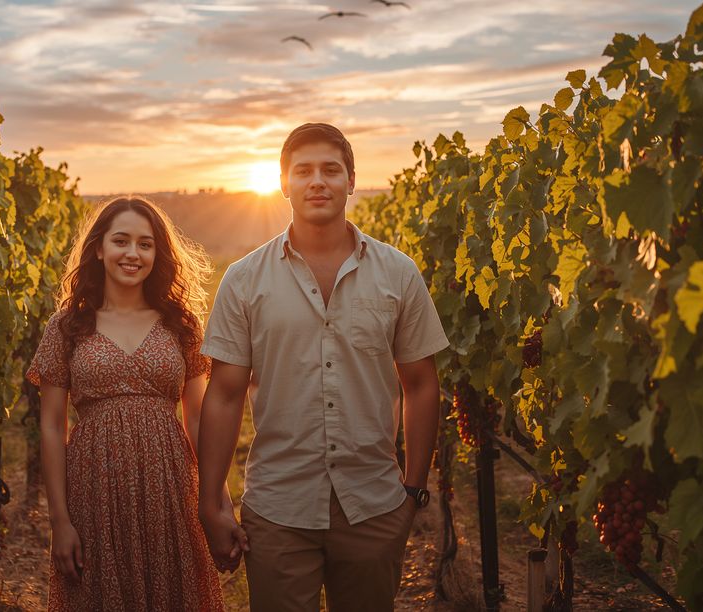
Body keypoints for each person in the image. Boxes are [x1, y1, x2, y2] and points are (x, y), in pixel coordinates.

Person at [197, 123, 448, 611]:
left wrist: (412, 492)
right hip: (278, 509)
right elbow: (224, 394)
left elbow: (420, 385)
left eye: (331, 170)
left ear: (351, 181)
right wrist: (212, 503)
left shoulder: (399, 274)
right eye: (304, 170)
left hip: (374, 506)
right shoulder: (244, 279)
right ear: (284, 182)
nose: (318, 181)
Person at [26, 196, 235, 611]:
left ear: (158, 254)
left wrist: (220, 503)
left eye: (145, 244)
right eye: (121, 241)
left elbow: (197, 421)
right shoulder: (67, 327)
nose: (133, 254)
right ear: (99, 247)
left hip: (168, 485)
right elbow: (51, 427)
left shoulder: (181, 324)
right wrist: (59, 521)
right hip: (92, 489)